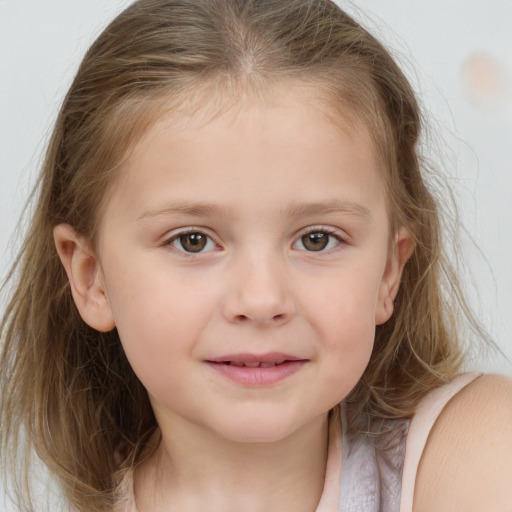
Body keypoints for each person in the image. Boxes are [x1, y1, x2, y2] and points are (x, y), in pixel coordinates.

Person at [1, 0, 511, 511]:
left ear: (388, 272)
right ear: (92, 279)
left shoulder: (476, 451)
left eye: (317, 239)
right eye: (192, 240)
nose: (262, 299)